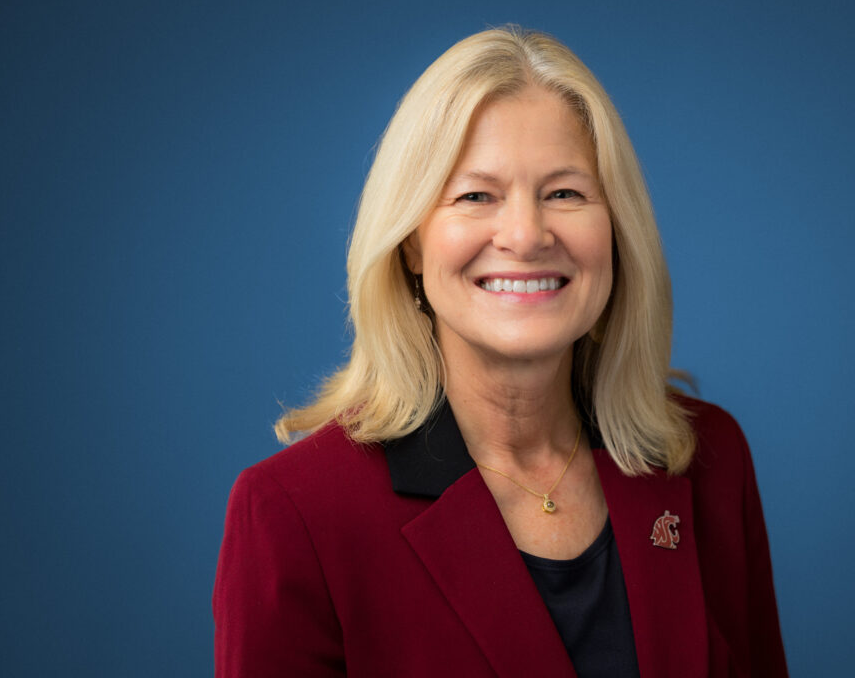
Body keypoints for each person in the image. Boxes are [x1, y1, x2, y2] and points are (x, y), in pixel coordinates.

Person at [213, 26, 787, 677]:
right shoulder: (295, 513)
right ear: (410, 242)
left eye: (565, 192)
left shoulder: (710, 460)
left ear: (618, 229)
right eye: (476, 196)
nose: (525, 234)